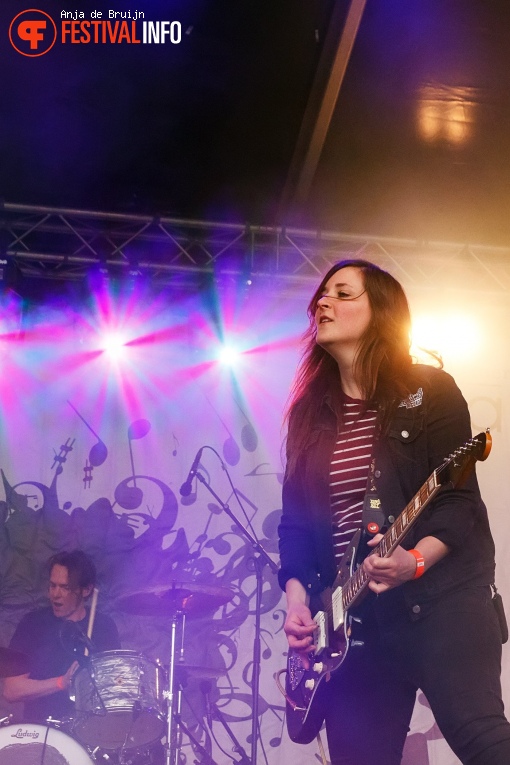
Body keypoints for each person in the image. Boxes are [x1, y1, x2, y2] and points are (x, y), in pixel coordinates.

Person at [278, 259, 510, 765]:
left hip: (442, 602)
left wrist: (414, 561)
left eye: (342, 293)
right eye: (321, 295)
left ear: (380, 311)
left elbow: (457, 500)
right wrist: (298, 602)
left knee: (484, 742)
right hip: (354, 625)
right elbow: (295, 526)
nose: (322, 302)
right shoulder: (308, 417)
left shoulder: (430, 391)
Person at [3, 549, 120, 722]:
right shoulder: (33, 624)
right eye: (52, 585)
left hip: (90, 733)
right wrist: (61, 683)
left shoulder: (104, 627)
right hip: (42, 731)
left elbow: (116, 684)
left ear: (86, 590)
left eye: (65, 587)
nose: (55, 594)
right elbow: (11, 691)